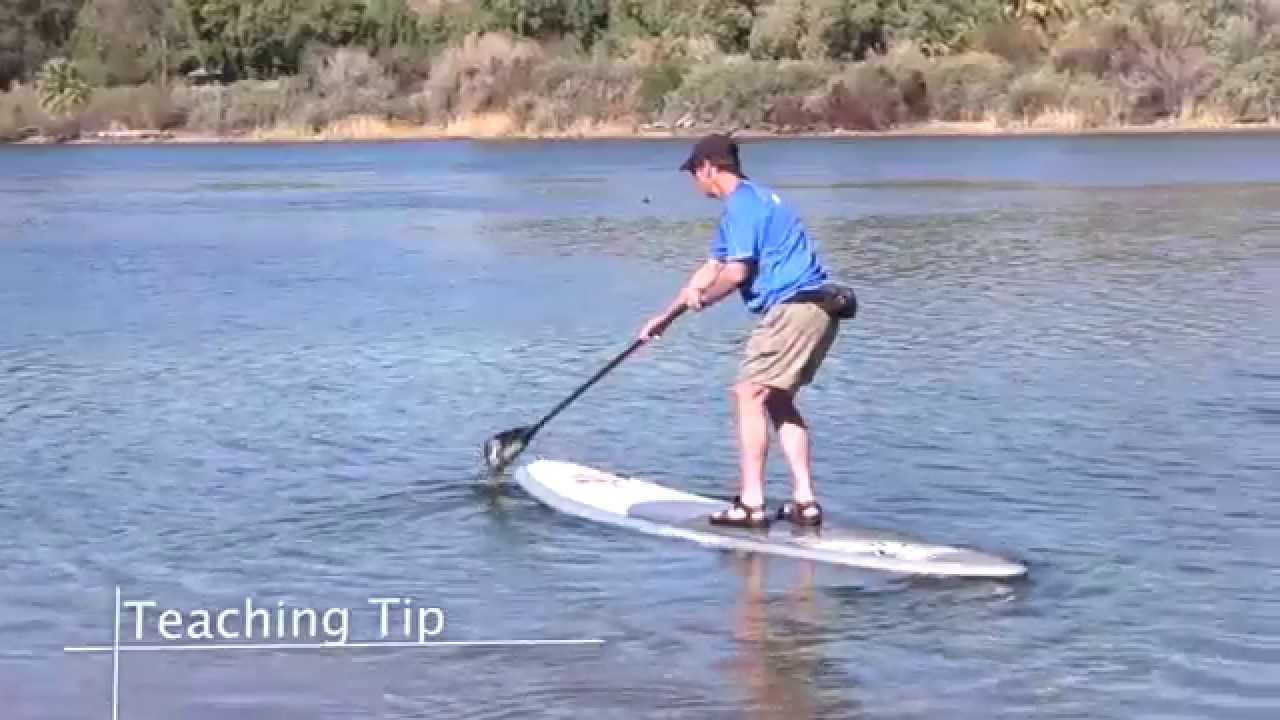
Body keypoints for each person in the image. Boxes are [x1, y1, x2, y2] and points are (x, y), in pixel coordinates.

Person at [638, 133, 840, 529]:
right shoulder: (755, 200)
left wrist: (706, 299)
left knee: (748, 393)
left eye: (695, 173)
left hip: (794, 307)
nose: (695, 183)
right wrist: (666, 316)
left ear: (709, 168)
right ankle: (805, 502)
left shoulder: (742, 207)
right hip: (817, 310)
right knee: (776, 399)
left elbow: (735, 274)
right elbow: (713, 266)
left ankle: (751, 504)